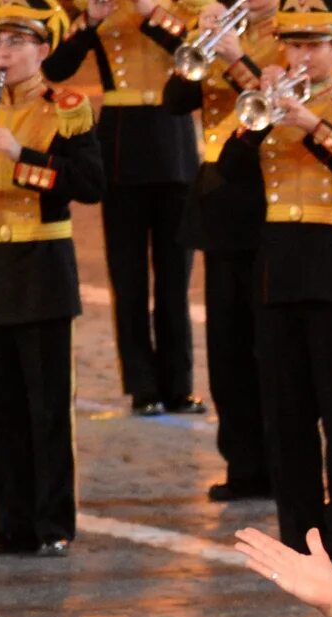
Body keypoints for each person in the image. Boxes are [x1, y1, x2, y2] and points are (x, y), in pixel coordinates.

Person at [222, 0, 332, 567]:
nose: (303, 56)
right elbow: (226, 180)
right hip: (276, 272)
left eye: (315, 45)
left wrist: (311, 124)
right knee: (286, 416)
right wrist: (254, 120)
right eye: (294, 46)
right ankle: (299, 532)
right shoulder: (261, 111)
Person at [0, 0, 102, 554]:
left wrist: (21, 154)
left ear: (42, 49)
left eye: (16, 43)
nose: (3, 54)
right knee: (0, 408)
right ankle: (8, 522)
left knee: (46, 407)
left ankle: (52, 524)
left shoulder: (66, 108)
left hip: (41, 267)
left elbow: (88, 182)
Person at [48, 0, 200, 414]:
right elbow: (56, 68)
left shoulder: (185, 6)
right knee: (128, 276)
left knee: (174, 278)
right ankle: (142, 385)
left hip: (174, 145)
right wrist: (90, 21)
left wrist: (153, 13)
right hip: (121, 147)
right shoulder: (98, 7)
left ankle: (179, 384)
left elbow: (197, 52)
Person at [156, 0, 278, 500]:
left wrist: (235, 58)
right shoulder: (220, 30)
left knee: (267, 345)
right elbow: (174, 100)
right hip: (219, 197)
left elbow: (286, 101)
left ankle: (277, 462)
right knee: (226, 347)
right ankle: (243, 464)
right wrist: (202, 42)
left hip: (270, 196)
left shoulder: (293, 35)